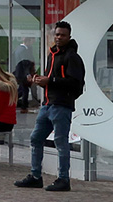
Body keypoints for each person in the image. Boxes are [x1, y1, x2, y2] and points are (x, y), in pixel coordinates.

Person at [15, 21, 84, 192]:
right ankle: (36, 176)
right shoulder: (52, 55)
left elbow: (76, 84)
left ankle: (63, 179)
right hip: (47, 104)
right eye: (57, 34)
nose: (59, 38)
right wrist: (41, 81)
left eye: (62, 35)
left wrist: (50, 81)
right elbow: (53, 79)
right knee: (36, 138)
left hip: (61, 105)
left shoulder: (72, 57)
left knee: (61, 142)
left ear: (69, 36)